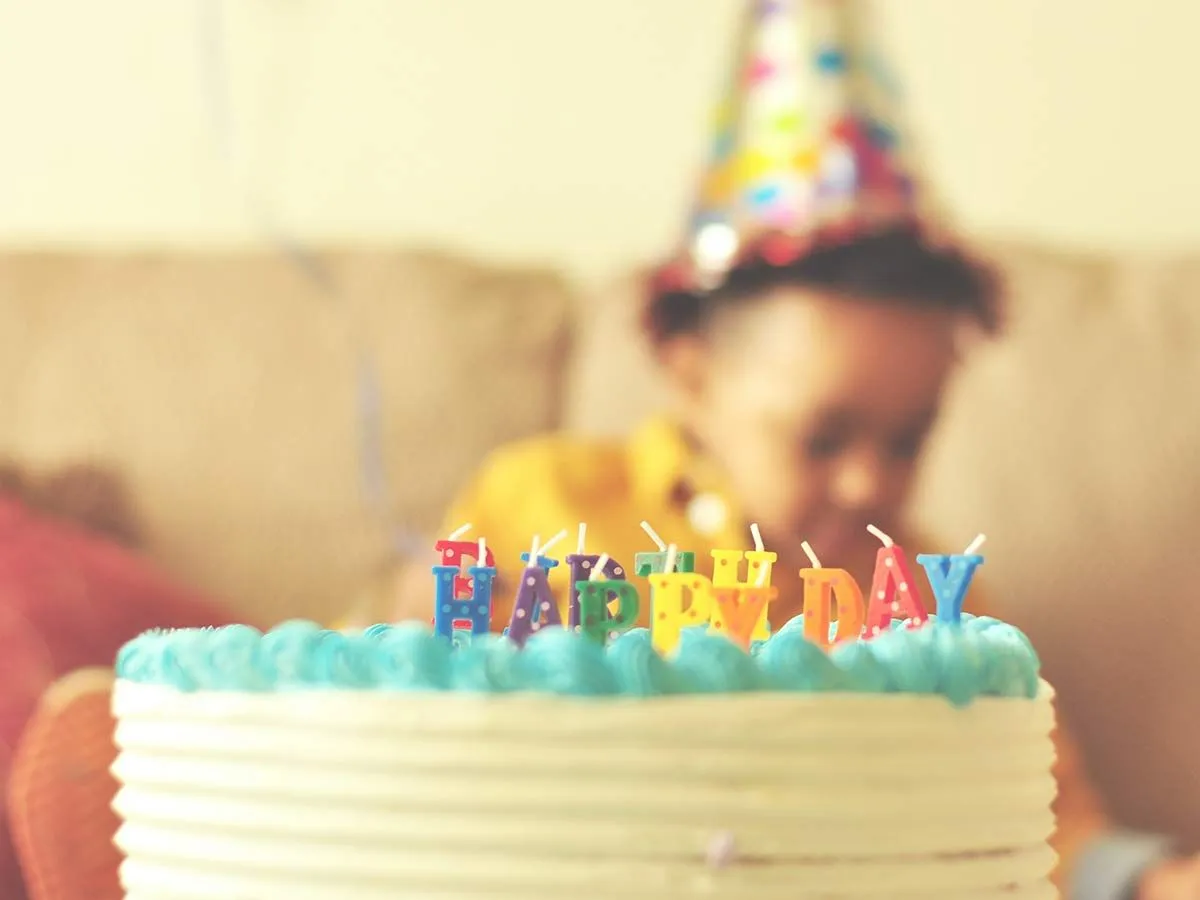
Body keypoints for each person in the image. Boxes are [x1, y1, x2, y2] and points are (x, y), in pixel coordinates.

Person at [384, 3, 1200, 896]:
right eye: (822, 435)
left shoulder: (930, 595)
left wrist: (1150, 880)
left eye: (909, 437)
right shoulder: (544, 508)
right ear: (689, 375)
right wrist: (418, 624)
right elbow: (405, 706)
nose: (867, 480)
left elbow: (1044, 821)